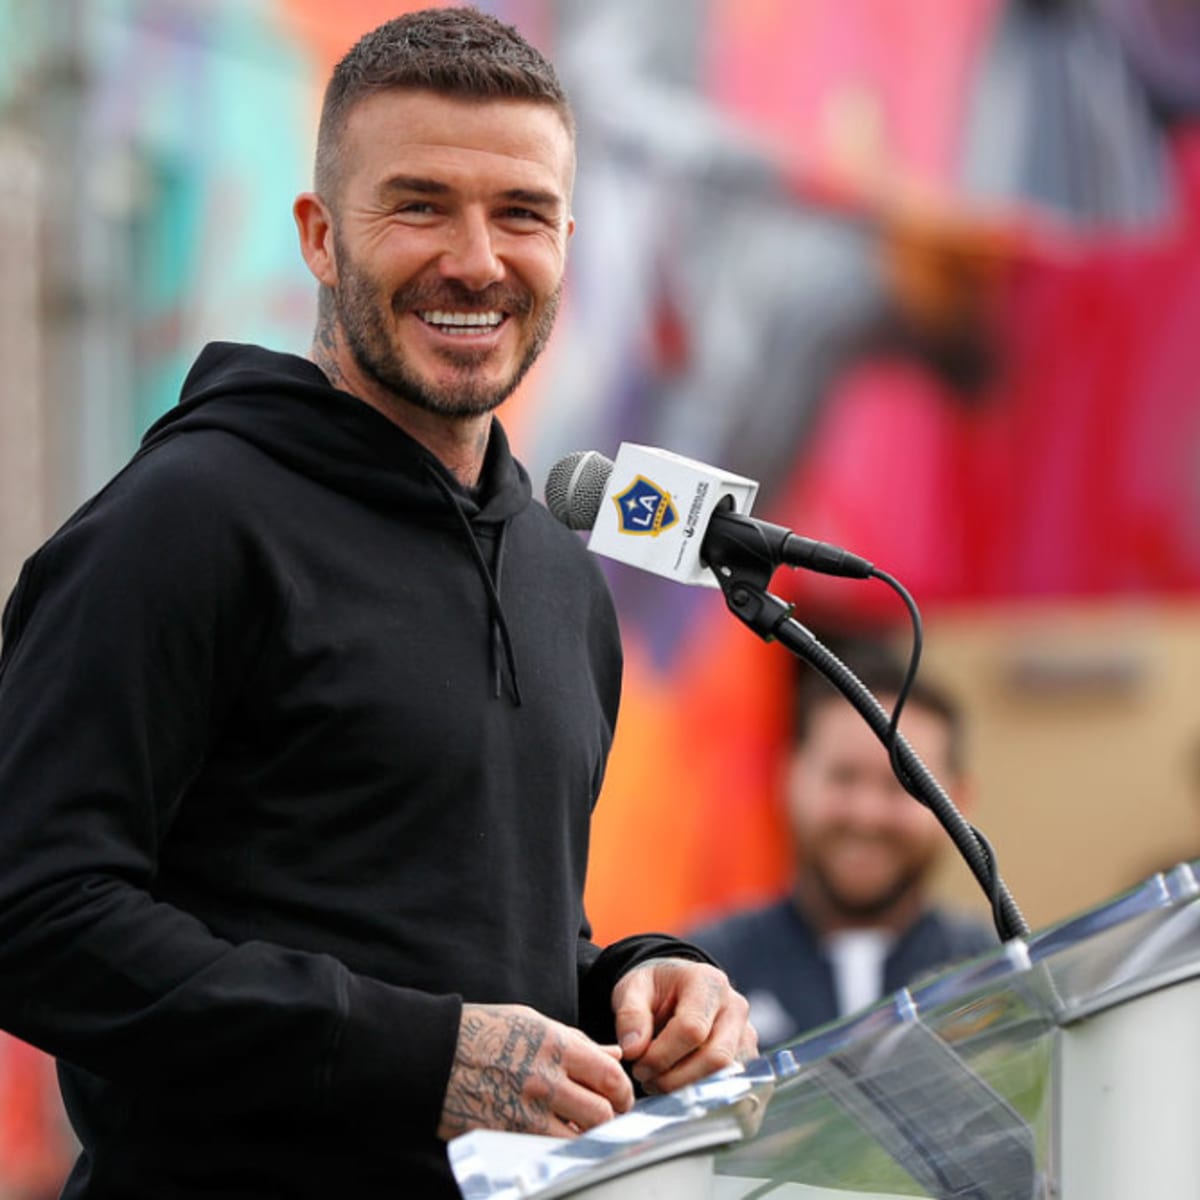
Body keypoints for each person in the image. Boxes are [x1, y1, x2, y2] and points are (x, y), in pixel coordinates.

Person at [0, 10, 755, 1199]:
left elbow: (485, 932)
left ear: (567, 236)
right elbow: (35, 914)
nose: (475, 259)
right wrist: (422, 1054)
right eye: (418, 205)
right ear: (319, 236)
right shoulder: (186, 520)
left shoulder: (562, 579)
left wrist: (634, 984)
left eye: (519, 214)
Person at [688, 650, 996, 1048]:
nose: (866, 814)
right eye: (842, 777)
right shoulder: (709, 969)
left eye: (901, 783)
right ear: (790, 778)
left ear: (957, 801)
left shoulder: (992, 975)